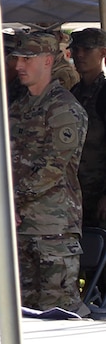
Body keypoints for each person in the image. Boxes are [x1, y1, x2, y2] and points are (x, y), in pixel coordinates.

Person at [8, 30, 89, 313]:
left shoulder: (64, 109)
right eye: (18, 58)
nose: (19, 65)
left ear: (47, 60)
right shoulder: (18, 108)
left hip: (52, 229)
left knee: (59, 310)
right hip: (20, 227)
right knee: (23, 309)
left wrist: (11, 200)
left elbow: (54, 168)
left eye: (27, 58)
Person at [68, 27, 105, 228]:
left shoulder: (103, 93)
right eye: (76, 49)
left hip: (97, 192)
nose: (79, 55)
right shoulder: (75, 91)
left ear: (102, 53)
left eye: (87, 49)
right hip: (76, 192)